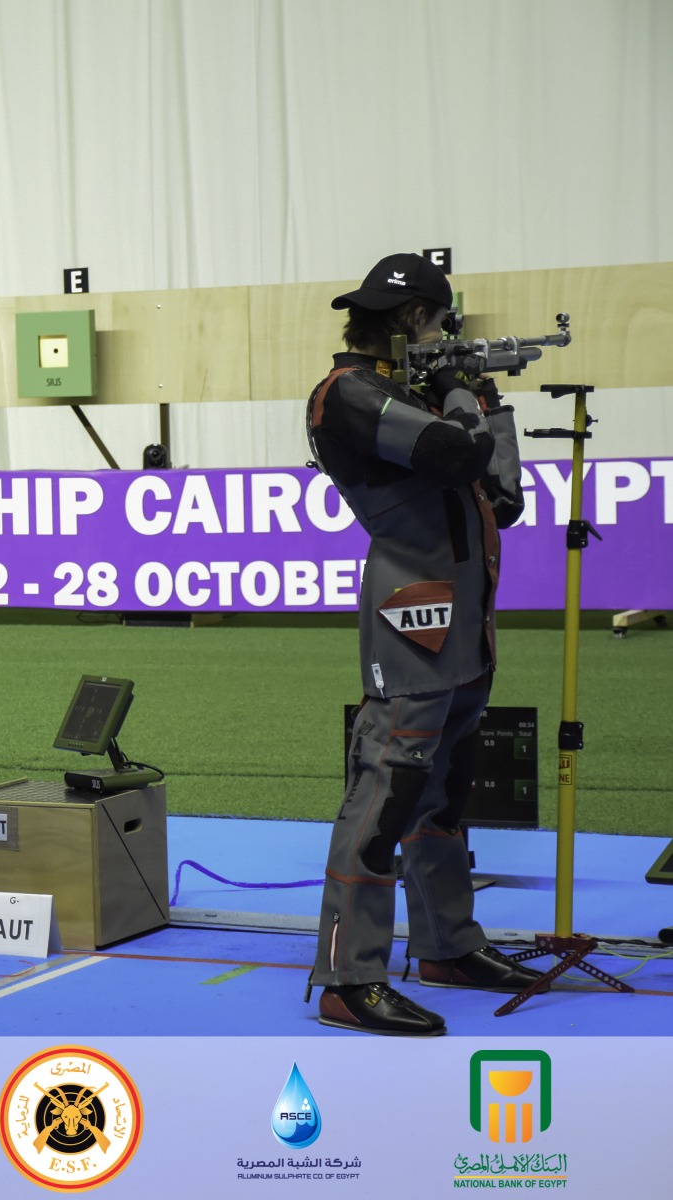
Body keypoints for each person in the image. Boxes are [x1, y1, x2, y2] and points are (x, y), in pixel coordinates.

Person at [304, 253, 543, 1034]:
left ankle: (446, 946)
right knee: (383, 803)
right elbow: (454, 454)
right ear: (413, 321)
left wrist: (486, 398)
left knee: (442, 800)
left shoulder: (415, 393)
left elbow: (502, 497)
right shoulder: (348, 393)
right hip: (412, 621)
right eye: (441, 324)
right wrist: (458, 391)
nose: (445, 336)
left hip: (464, 627)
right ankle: (348, 977)